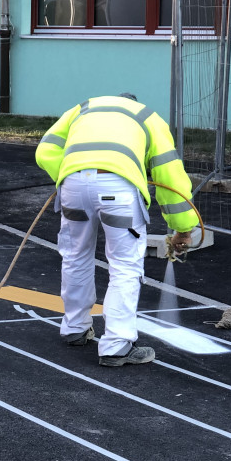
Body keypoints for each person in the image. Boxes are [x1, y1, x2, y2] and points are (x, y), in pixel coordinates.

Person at [36, 93, 200, 367]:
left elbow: (45, 152)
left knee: (75, 256)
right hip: (118, 190)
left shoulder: (83, 109)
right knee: (124, 265)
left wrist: (69, 177)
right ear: (134, 103)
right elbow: (169, 175)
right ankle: (116, 346)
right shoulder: (147, 117)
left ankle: (75, 328)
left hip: (73, 186)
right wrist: (183, 228)